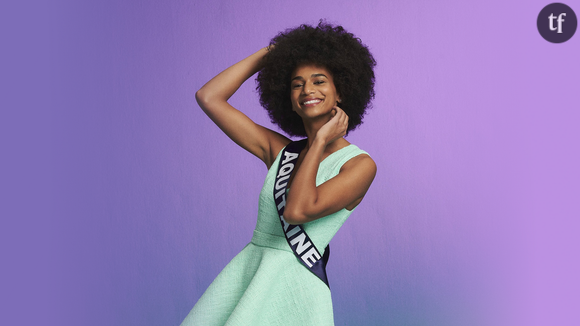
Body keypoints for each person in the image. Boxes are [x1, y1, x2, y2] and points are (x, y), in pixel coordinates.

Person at [181, 21, 377, 326]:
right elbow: (209, 97)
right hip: (251, 270)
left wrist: (322, 139)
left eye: (319, 81)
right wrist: (271, 54)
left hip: (294, 285)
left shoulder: (359, 165)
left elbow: (298, 210)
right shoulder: (281, 151)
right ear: (289, 100)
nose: (307, 90)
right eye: (296, 83)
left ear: (341, 93)